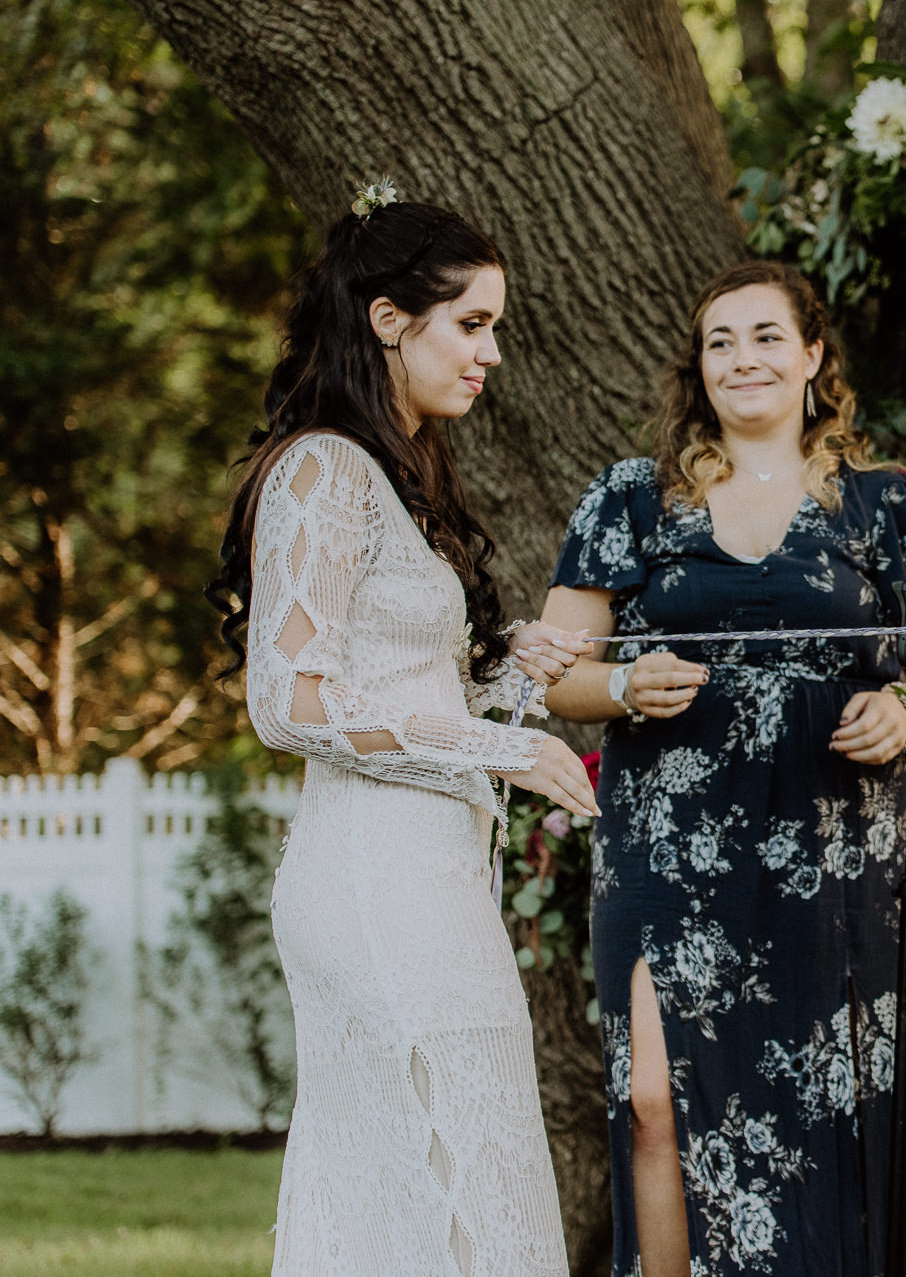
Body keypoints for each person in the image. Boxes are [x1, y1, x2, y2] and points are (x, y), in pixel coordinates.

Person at [540, 260, 906, 1277]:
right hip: (664, 847)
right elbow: (558, 675)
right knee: (654, 1105)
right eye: (721, 342)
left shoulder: (888, 506)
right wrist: (616, 692)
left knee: (824, 1111)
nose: (744, 359)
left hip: (833, 854)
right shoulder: (630, 500)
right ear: (698, 368)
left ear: (814, 356)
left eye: (766, 336)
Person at [211, 190, 597, 1276]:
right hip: (373, 879)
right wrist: (501, 748)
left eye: (495, 327)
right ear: (389, 319)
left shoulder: (400, 473)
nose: (492, 353)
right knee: (459, 1176)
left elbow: (389, 689)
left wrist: (500, 679)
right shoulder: (324, 469)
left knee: (449, 1178)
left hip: (425, 873)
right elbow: (291, 700)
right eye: (470, 324)